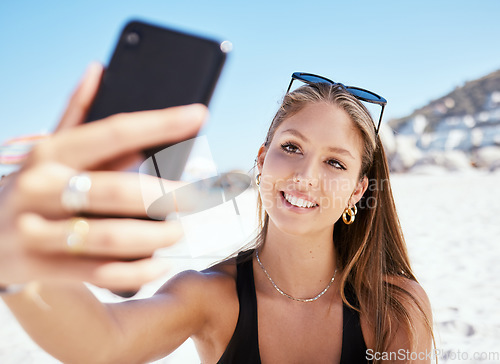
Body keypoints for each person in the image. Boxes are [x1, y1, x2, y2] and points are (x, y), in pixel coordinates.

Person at [0, 63, 434, 363]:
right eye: (292, 148)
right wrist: (14, 262)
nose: (305, 175)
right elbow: (103, 342)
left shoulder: (393, 309)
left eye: (335, 162)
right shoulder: (209, 296)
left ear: (359, 190)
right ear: (262, 160)